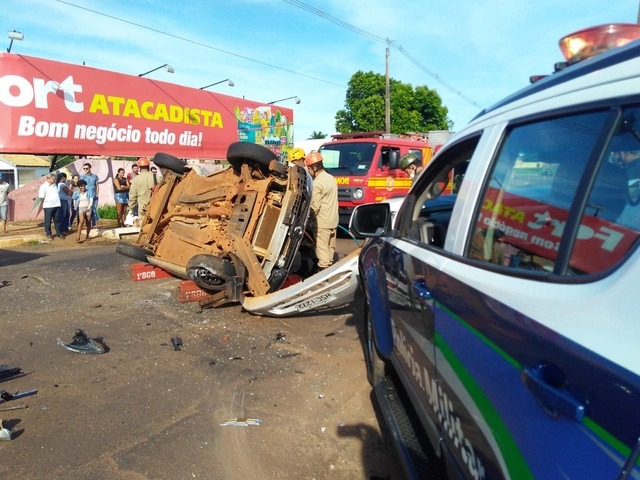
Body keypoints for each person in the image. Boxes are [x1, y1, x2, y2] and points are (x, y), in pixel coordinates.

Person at [305, 151, 339, 271]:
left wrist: (308, 220)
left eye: (309, 169)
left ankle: (323, 277)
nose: (308, 171)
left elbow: (314, 207)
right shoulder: (331, 178)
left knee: (322, 250)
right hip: (333, 221)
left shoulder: (318, 183)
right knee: (330, 249)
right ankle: (330, 270)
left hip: (322, 223)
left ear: (314, 167)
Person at [128, 157, 155, 221]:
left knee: (143, 227)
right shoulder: (157, 177)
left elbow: (132, 196)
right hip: (156, 207)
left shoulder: (136, 179)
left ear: (139, 167)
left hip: (143, 209)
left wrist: (130, 209)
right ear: (148, 166)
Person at [38, 172, 63, 239]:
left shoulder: (54, 185)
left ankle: (59, 233)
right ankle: (48, 233)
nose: (54, 180)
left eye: (54, 179)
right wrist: (45, 203)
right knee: (48, 221)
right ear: (48, 179)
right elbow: (41, 197)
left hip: (56, 205)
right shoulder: (43, 186)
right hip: (48, 206)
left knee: (57, 220)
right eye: (53, 179)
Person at [80, 163, 100, 227]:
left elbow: (97, 185)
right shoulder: (82, 177)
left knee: (94, 209)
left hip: (94, 194)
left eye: (86, 168)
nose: (85, 170)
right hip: (87, 195)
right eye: (84, 168)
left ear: (90, 168)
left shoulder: (95, 176)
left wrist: (97, 193)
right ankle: (87, 223)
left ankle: (94, 223)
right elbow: (80, 186)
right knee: (87, 209)